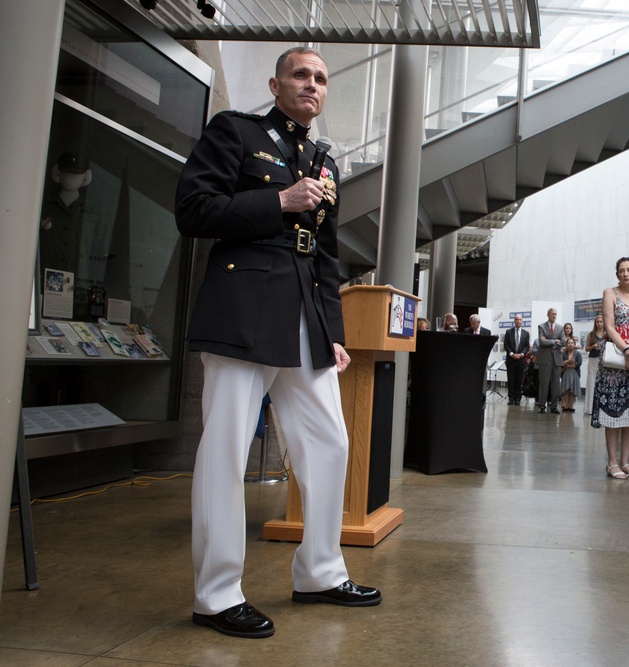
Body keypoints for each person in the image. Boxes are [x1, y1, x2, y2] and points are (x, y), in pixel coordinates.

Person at [175, 47, 381, 640]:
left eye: (320, 78)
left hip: (303, 321)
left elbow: (324, 254)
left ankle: (319, 571)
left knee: (329, 442)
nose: (312, 84)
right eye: (300, 74)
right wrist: (280, 201)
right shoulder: (235, 132)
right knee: (226, 451)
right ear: (276, 83)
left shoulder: (322, 160)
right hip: (244, 313)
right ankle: (216, 595)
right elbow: (193, 209)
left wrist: (332, 334)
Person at [591, 257, 629, 479]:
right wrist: (628, 348)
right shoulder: (610, 293)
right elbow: (609, 325)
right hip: (617, 360)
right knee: (614, 412)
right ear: (617, 275)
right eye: (621, 271)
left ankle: (626, 462)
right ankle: (612, 463)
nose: (626, 274)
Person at [536, 308, 566, 413]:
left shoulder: (560, 328)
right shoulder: (541, 326)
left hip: (556, 359)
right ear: (548, 314)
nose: (554, 316)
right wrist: (554, 341)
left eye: (555, 314)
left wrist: (549, 341)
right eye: (552, 314)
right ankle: (542, 406)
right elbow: (542, 342)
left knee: (556, 384)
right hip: (545, 359)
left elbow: (563, 342)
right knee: (544, 383)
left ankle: (553, 406)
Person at [504, 314, 530, 405]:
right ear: (514, 321)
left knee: (519, 380)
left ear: (522, 321)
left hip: (521, 360)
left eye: (520, 319)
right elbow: (506, 345)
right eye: (516, 319)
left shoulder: (526, 333)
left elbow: (527, 346)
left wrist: (521, 354)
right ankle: (511, 398)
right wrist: (512, 354)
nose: (518, 321)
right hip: (511, 359)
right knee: (511, 380)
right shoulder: (508, 332)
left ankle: (517, 398)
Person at [583, 314, 606, 416]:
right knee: (591, 382)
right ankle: (590, 408)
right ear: (595, 323)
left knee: (603, 383)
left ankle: (602, 407)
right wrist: (593, 346)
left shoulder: (607, 334)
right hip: (593, 360)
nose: (599, 323)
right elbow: (586, 348)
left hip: (604, 360)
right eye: (598, 322)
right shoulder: (591, 334)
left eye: (601, 321)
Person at [560, 338, 583, 411]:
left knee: (573, 390)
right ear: (566, 345)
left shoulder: (578, 353)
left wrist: (573, 365)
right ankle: (566, 406)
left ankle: (570, 406)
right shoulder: (563, 354)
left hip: (575, 373)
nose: (570, 344)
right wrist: (568, 362)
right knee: (566, 389)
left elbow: (579, 362)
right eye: (569, 343)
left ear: (574, 344)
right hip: (565, 373)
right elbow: (561, 363)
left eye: (572, 343)